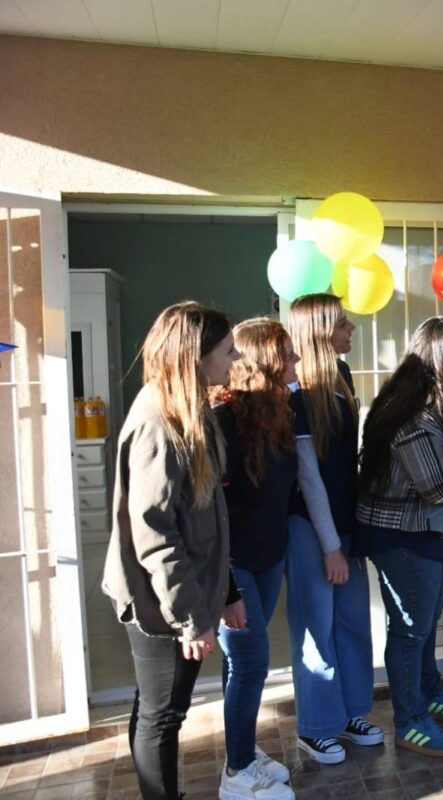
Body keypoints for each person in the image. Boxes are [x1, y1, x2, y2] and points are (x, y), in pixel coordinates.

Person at [102, 302, 241, 800]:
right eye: (227, 351)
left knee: (159, 707)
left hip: (187, 595)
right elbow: (154, 534)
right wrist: (190, 619)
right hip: (160, 602)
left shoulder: (188, 409)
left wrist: (227, 592)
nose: (236, 357)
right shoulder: (158, 424)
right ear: (195, 357)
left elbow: (207, 516)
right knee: (164, 715)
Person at [355, 316, 443, 757]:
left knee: (425, 620)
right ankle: (410, 720)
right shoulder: (416, 419)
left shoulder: (435, 409)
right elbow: (436, 489)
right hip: (402, 535)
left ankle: (429, 693)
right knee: (411, 630)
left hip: (425, 532)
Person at [285, 294, 381, 764]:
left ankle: (349, 713)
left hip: (345, 522)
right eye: (344, 323)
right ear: (322, 330)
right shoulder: (297, 392)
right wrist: (329, 546)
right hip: (311, 528)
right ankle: (316, 725)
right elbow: (308, 476)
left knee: (351, 621)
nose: (352, 330)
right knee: (315, 628)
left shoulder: (341, 378)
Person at [213, 319, 300, 799]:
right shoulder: (224, 421)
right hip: (235, 564)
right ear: (264, 360)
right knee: (250, 664)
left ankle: (239, 751)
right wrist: (225, 587)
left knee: (239, 664)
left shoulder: (280, 413)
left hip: (269, 557)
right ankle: (238, 774)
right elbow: (210, 509)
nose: (297, 361)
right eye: (288, 353)